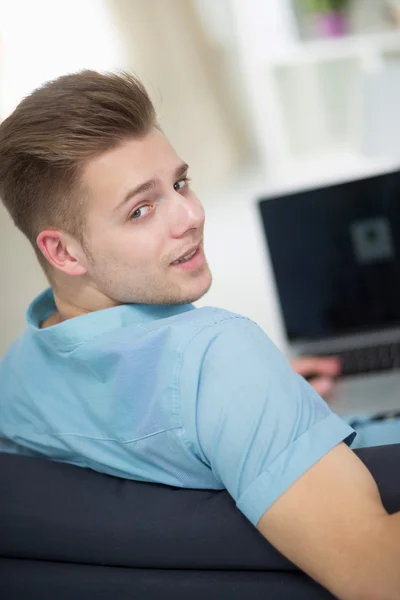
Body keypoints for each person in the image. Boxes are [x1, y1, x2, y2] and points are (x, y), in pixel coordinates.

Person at [0, 70, 399, 600]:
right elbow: (379, 576)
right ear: (64, 252)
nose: (190, 216)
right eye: (141, 210)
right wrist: (239, 382)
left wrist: (265, 392)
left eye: (179, 183)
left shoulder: (17, 378)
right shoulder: (220, 356)